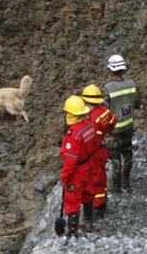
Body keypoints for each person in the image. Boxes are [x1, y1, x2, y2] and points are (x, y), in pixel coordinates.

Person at [59, 95, 97, 236]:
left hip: (77, 170)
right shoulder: (89, 125)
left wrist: (64, 177)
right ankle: (88, 222)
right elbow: (94, 145)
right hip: (88, 165)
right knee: (88, 193)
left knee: (72, 199)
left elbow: (70, 161)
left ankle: (72, 232)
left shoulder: (73, 134)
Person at [102, 54, 140, 193]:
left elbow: (103, 112)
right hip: (128, 127)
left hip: (113, 131)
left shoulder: (107, 89)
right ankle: (126, 183)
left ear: (110, 70)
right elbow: (136, 104)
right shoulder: (132, 85)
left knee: (115, 157)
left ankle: (116, 186)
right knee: (127, 152)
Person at [81, 85, 117, 219]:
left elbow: (90, 141)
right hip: (101, 149)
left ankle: (99, 206)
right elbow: (113, 120)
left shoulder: (92, 119)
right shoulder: (105, 111)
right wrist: (106, 132)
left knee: (96, 179)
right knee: (101, 177)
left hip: (95, 153)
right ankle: (101, 202)